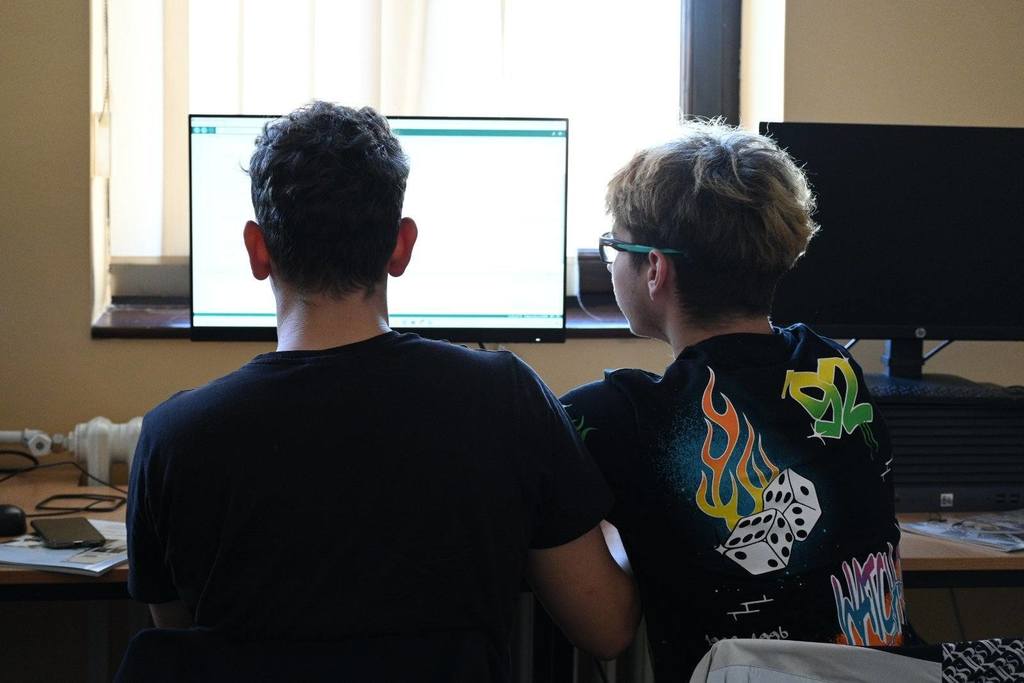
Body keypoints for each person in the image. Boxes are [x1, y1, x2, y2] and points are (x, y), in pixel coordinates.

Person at [126, 101, 638, 679]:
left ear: (257, 249)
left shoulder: (173, 436)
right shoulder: (505, 398)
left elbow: (179, 633)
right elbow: (607, 629)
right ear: (401, 246)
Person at [561, 120, 909, 680]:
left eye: (615, 248)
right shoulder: (833, 367)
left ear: (655, 269)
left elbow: (605, 634)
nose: (613, 262)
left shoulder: (613, 416)